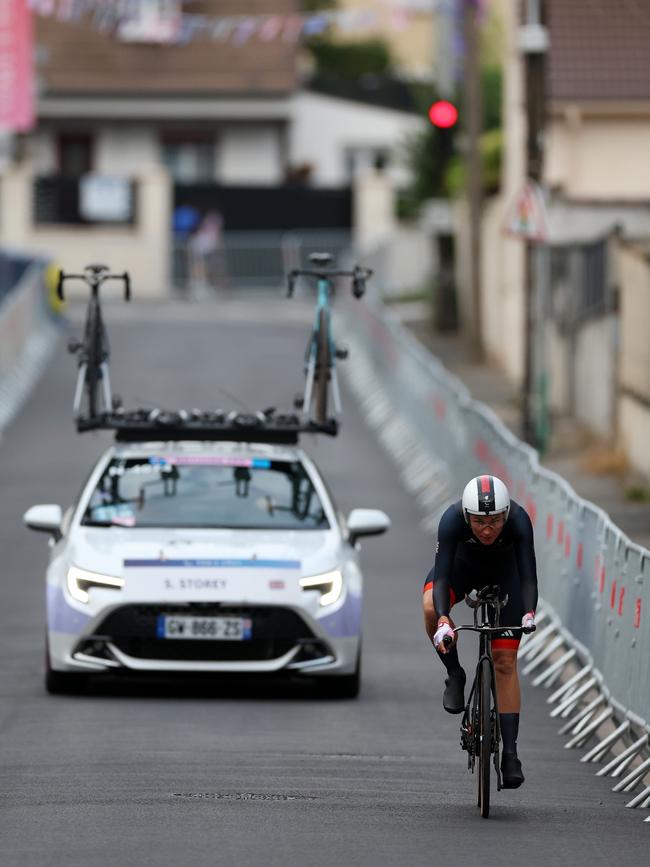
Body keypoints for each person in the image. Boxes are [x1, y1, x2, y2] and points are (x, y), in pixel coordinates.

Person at [422, 474, 538, 788]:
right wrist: (445, 618)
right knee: (431, 607)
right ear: (466, 516)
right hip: (462, 568)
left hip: (507, 575)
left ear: (506, 515)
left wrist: (528, 613)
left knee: (504, 661)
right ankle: (455, 673)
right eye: (479, 522)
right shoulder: (451, 520)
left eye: (495, 521)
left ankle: (511, 753)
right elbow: (443, 576)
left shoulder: (519, 521)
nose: (487, 530)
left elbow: (528, 577)